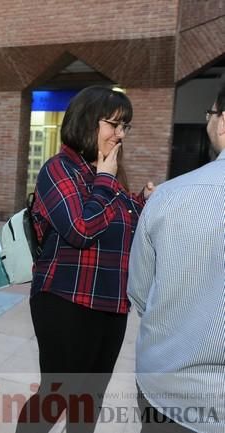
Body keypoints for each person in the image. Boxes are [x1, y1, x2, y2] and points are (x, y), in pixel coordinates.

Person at [15, 86, 155, 433]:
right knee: (57, 396)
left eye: (126, 127)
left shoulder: (106, 172)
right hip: (66, 299)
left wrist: (142, 201)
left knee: (90, 400)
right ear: (88, 121)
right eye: (114, 125)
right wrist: (107, 181)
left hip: (110, 302)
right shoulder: (59, 170)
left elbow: (120, 222)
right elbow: (80, 228)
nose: (121, 135)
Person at [127, 85, 225, 433]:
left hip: (167, 393)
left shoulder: (169, 197)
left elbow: (139, 292)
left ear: (223, 122)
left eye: (210, 114)